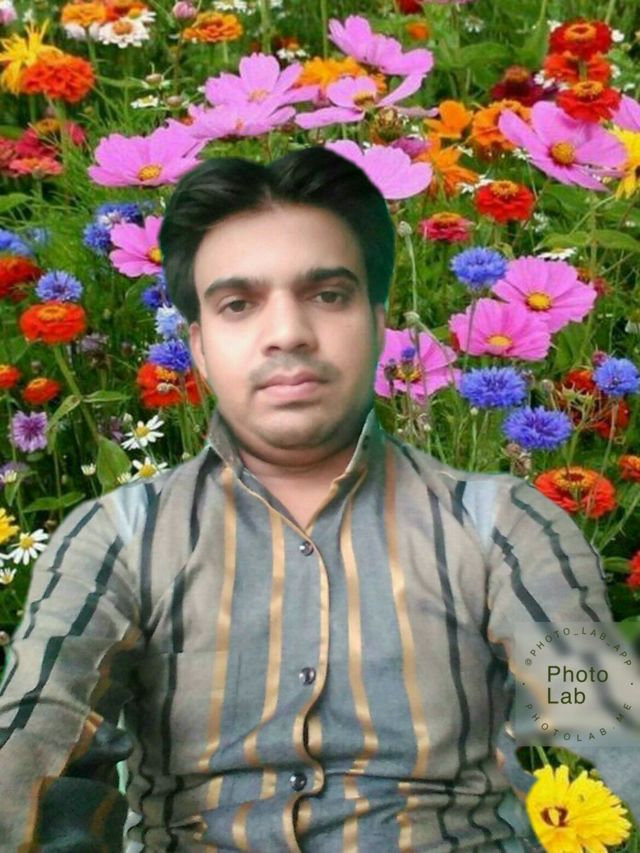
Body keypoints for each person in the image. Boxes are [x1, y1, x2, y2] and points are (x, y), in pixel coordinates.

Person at [0, 145, 637, 851]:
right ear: (199, 347)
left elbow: (605, 715)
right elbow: (36, 732)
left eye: (328, 295)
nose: (288, 334)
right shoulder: (121, 536)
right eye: (238, 305)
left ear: (380, 323)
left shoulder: (498, 526)